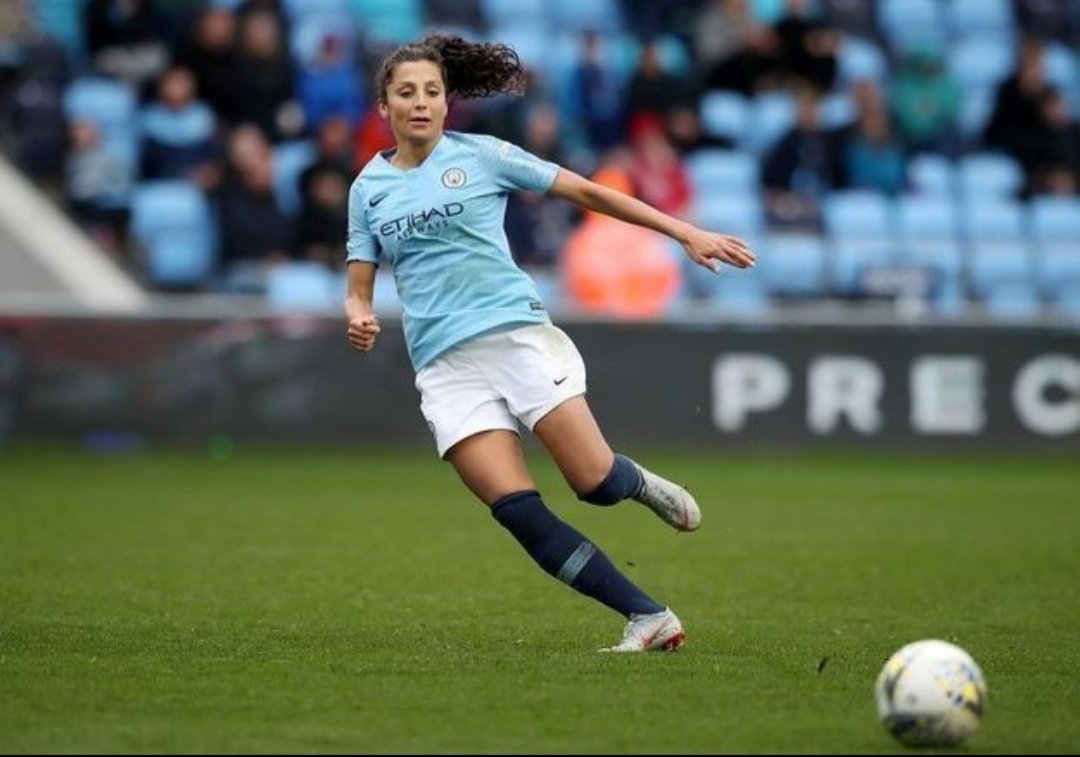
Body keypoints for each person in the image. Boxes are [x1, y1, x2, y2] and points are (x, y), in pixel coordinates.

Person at [343, 35, 756, 653]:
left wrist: (683, 231)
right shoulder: (367, 190)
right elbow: (359, 284)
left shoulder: (483, 155)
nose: (421, 103)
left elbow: (587, 192)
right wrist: (359, 314)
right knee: (516, 510)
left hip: (516, 336)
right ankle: (649, 617)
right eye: (407, 93)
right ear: (385, 106)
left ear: (447, 101)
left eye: (432, 91)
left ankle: (635, 482)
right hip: (443, 366)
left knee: (593, 483)